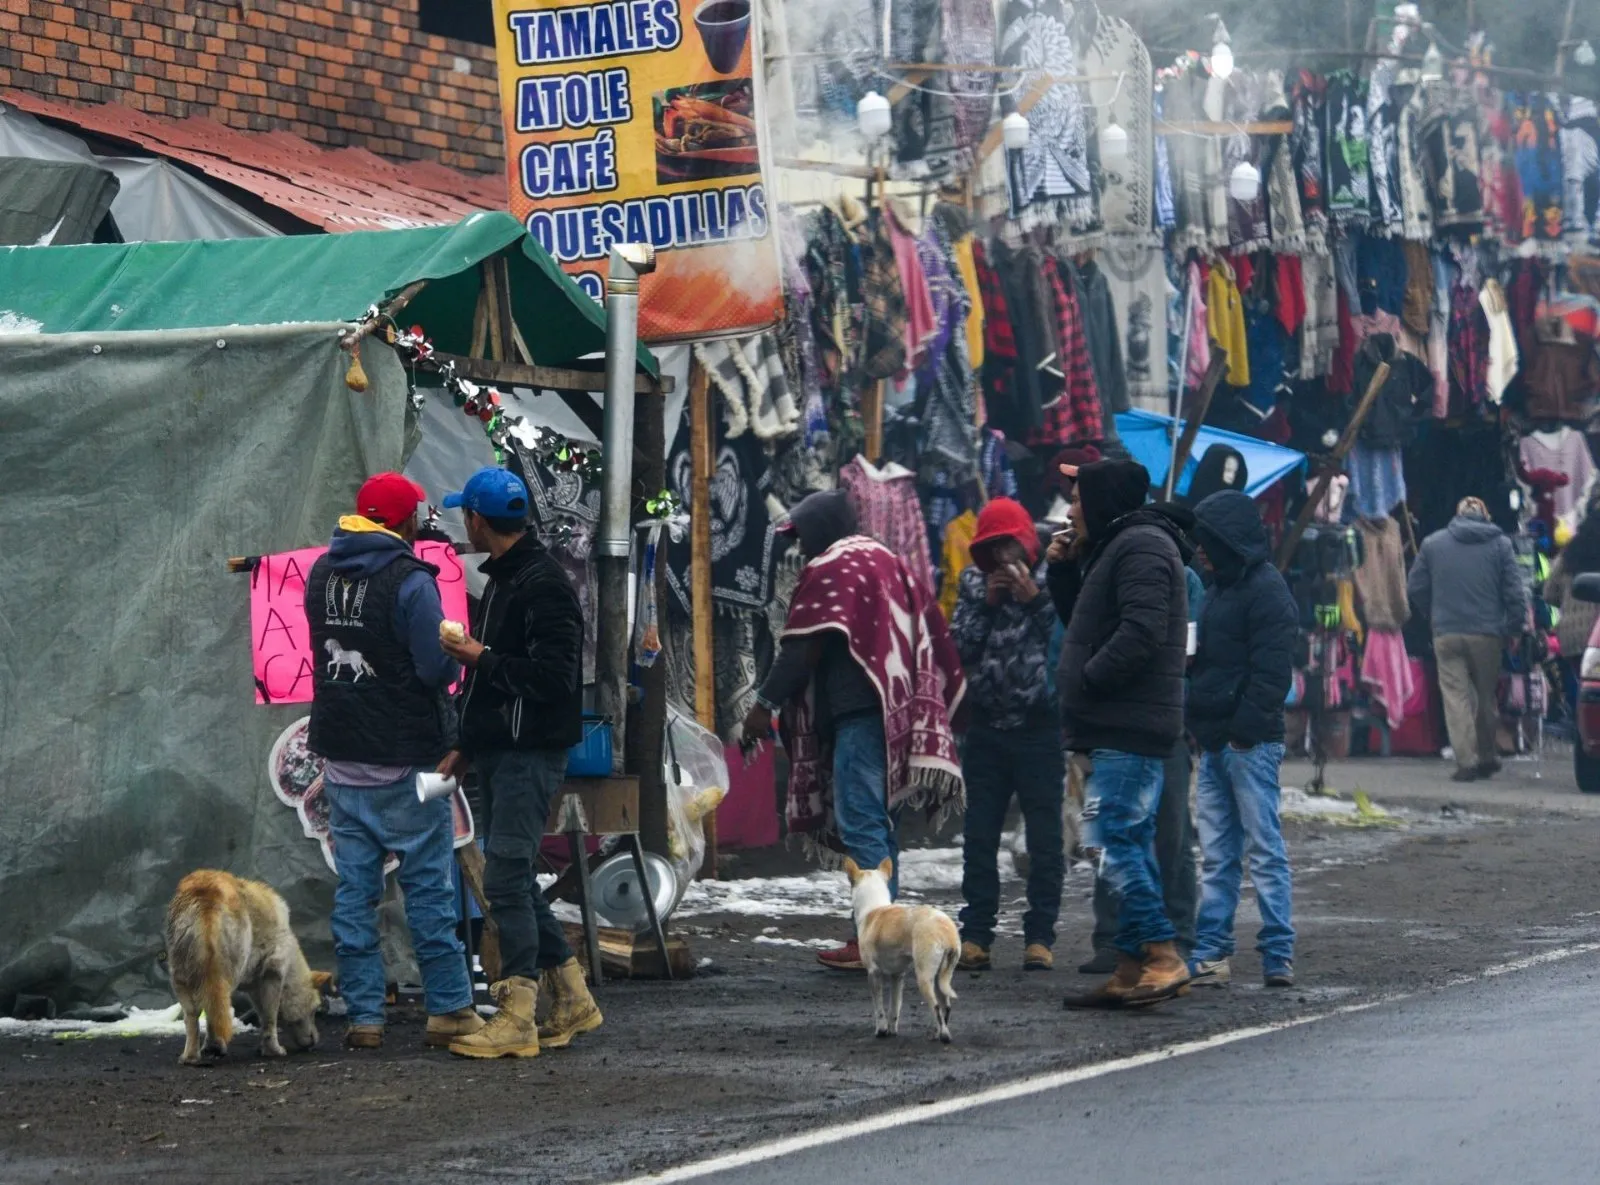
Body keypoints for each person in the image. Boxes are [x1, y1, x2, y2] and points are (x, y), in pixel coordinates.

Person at [742, 490, 966, 972]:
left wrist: (763, 705)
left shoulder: (835, 565)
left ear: (821, 528)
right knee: (881, 831)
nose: (800, 549)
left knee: (863, 825)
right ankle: (887, 933)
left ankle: (875, 940)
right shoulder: (889, 561)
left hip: (861, 715)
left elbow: (803, 649)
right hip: (898, 715)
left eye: (801, 536)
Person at [306, 472, 484, 1051]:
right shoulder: (411, 582)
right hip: (410, 767)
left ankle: (364, 1018)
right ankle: (451, 1010)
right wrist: (457, 662)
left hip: (340, 766)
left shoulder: (319, 574)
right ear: (406, 524)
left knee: (355, 894)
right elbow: (435, 667)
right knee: (429, 887)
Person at [434, 467, 602, 1058]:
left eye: (466, 515)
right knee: (512, 878)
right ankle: (575, 999)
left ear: (478, 520)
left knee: (505, 876)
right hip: (502, 750)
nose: (464, 523)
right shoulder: (508, 579)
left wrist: (480, 657)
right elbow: (495, 686)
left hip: (531, 753)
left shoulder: (542, 585)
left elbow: (556, 679)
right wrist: (467, 744)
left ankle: (519, 1014)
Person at [1049, 459, 1194, 1009]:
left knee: (1115, 838)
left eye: (1079, 497)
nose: (1071, 509)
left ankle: (1161, 953)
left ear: (1104, 499)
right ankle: (1132, 966)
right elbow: (1086, 628)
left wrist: (1089, 682)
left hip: (1128, 724)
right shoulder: (1117, 547)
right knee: (1117, 843)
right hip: (1115, 724)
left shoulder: (1142, 547)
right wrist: (1064, 572)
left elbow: (1140, 631)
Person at [1184, 490, 1300, 988]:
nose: (1200, 550)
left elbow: (1273, 674)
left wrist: (1241, 733)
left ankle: (1276, 953)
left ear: (1227, 541)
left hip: (1246, 745)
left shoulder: (1265, 591)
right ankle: (1213, 953)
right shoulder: (1221, 589)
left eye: (1207, 541)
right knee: (1220, 855)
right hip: (1219, 742)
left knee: (1262, 851)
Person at [949, 497, 1064, 973]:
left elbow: (1064, 638)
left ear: (1027, 543)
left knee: (1044, 838)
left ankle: (1040, 937)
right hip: (987, 727)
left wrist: (1033, 600)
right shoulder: (974, 583)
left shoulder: (1055, 579)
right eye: (992, 549)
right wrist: (989, 603)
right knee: (979, 835)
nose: (1002, 559)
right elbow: (958, 647)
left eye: (1009, 546)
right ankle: (976, 934)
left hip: (1039, 728)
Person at [1078, 560, 1203, 975]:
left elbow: (1187, 655)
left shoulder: (1184, 582)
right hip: (1114, 724)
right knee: (1110, 831)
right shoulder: (1100, 576)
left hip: (1165, 724)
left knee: (1171, 833)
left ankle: (1178, 937)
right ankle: (1114, 939)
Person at [1407, 496, 1529, 783]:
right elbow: (1514, 592)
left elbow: (1415, 587)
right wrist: (1513, 628)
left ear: (1456, 516)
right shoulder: (1501, 545)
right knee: (1485, 698)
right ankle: (1487, 756)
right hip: (1488, 635)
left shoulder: (1433, 544)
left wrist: (1432, 614)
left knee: (1456, 697)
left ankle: (1466, 761)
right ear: (1486, 515)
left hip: (1446, 632)